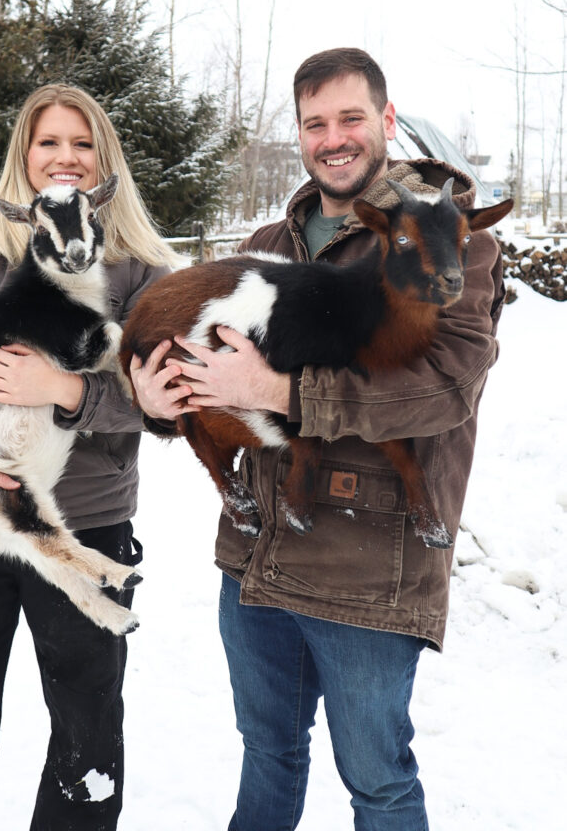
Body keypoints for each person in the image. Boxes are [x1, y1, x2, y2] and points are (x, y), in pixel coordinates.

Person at [131, 48, 507, 830]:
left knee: (377, 782)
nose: (332, 139)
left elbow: (444, 385)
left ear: (386, 120)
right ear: (298, 132)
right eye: (314, 123)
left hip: (366, 566)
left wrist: (280, 393)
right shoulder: (275, 236)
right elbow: (206, 379)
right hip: (257, 557)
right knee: (267, 752)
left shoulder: (449, 235)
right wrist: (150, 397)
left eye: (350, 118)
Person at [0, 84, 175, 831]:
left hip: (85, 525)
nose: (65, 157)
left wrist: (70, 393)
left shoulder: (140, 269)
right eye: (49, 142)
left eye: (82, 144)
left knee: (86, 738)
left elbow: (173, 395)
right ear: (25, 156)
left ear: (103, 163)